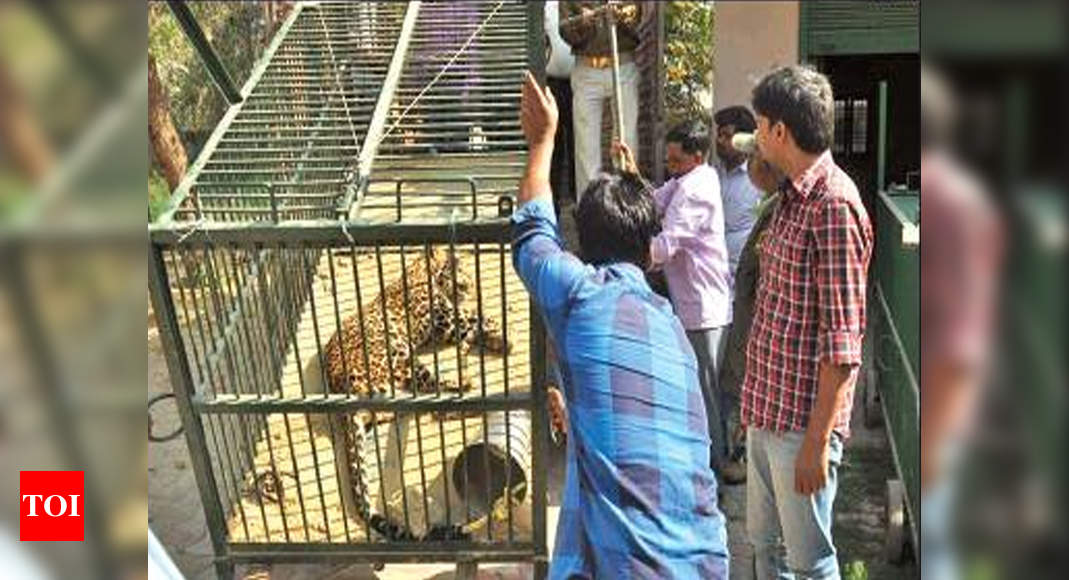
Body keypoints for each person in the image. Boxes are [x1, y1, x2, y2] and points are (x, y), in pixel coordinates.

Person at [515, 71, 729, 579]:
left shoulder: (581, 295)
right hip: (707, 562)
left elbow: (530, 233)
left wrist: (543, 141)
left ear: (583, 247)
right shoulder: (672, 330)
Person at [742, 65, 873, 579]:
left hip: (801, 427)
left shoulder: (833, 207)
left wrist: (817, 444)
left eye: (760, 125)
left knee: (810, 562)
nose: (755, 136)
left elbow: (842, 345)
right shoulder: (792, 196)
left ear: (780, 132)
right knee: (764, 548)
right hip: (766, 411)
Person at [613, 122, 733, 481]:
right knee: (701, 389)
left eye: (677, 161)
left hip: (704, 308)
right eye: (668, 161)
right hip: (696, 302)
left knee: (705, 394)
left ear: (697, 157)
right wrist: (632, 174)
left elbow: (666, 245)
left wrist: (619, 256)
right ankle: (713, 461)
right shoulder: (688, 178)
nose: (671, 166)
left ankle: (714, 470)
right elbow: (653, 201)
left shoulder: (697, 189)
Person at [714, 136, 787, 487]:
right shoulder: (775, 205)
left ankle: (741, 454)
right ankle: (740, 453)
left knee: (740, 390)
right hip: (744, 321)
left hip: (760, 337)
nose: (749, 165)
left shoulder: (783, 213)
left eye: (753, 157)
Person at [559, 1, 650, 197]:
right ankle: (589, 209)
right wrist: (582, 23)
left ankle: (627, 202)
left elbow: (638, 16)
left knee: (627, 138)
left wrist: (623, 15)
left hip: (623, 63)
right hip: (587, 68)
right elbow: (565, 30)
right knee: (585, 145)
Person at [714, 106, 764, 284]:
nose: (719, 141)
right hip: (713, 274)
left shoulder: (760, 179)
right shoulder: (711, 174)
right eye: (719, 134)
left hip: (744, 278)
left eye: (727, 136)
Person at [544, 1, 577, 216]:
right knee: (553, 147)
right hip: (551, 82)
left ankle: (578, 202)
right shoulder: (544, 7)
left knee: (578, 145)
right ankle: (551, 205)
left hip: (579, 81)